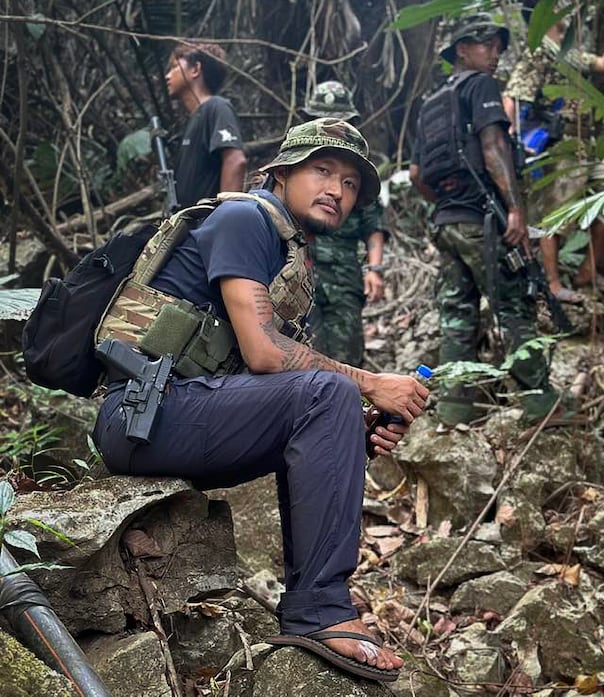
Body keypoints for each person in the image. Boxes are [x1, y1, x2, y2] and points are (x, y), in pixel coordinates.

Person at [91, 118, 428, 682]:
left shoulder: (288, 253)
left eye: (349, 183)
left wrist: (356, 426)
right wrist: (369, 384)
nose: (336, 190)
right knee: (331, 392)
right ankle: (320, 610)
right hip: (140, 415)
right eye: (322, 170)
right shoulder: (245, 218)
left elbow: (286, 394)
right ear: (281, 173)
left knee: (333, 402)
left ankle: (314, 606)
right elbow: (266, 355)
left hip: (181, 414)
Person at [410, 13, 554, 426]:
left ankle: (455, 410)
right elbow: (493, 147)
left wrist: (446, 204)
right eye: (487, 45)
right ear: (462, 49)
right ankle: (542, 404)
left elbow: (418, 175)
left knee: (457, 316)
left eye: (498, 47)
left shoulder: (431, 103)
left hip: (447, 222)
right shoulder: (482, 86)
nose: (495, 55)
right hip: (483, 221)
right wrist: (515, 208)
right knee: (513, 308)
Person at [503, 0, 604, 303]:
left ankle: (586, 272)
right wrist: (510, 137)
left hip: (587, 145)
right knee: (556, 215)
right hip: (562, 144)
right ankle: (552, 283)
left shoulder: (569, 52)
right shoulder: (539, 50)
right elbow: (513, 94)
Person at [299, 81, 389, 366]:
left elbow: (373, 226)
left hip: (343, 277)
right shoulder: (299, 168)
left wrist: (374, 269)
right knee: (302, 354)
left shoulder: (356, 173)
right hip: (299, 273)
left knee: (347, 359)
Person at [165, 42, 248, 207]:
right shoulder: (192, 120)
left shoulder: (217, 107)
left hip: (209, 227)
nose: (167, 76)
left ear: (195, 69)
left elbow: (235, 161)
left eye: (174, 67)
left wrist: (225, 216)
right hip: (191, 228)